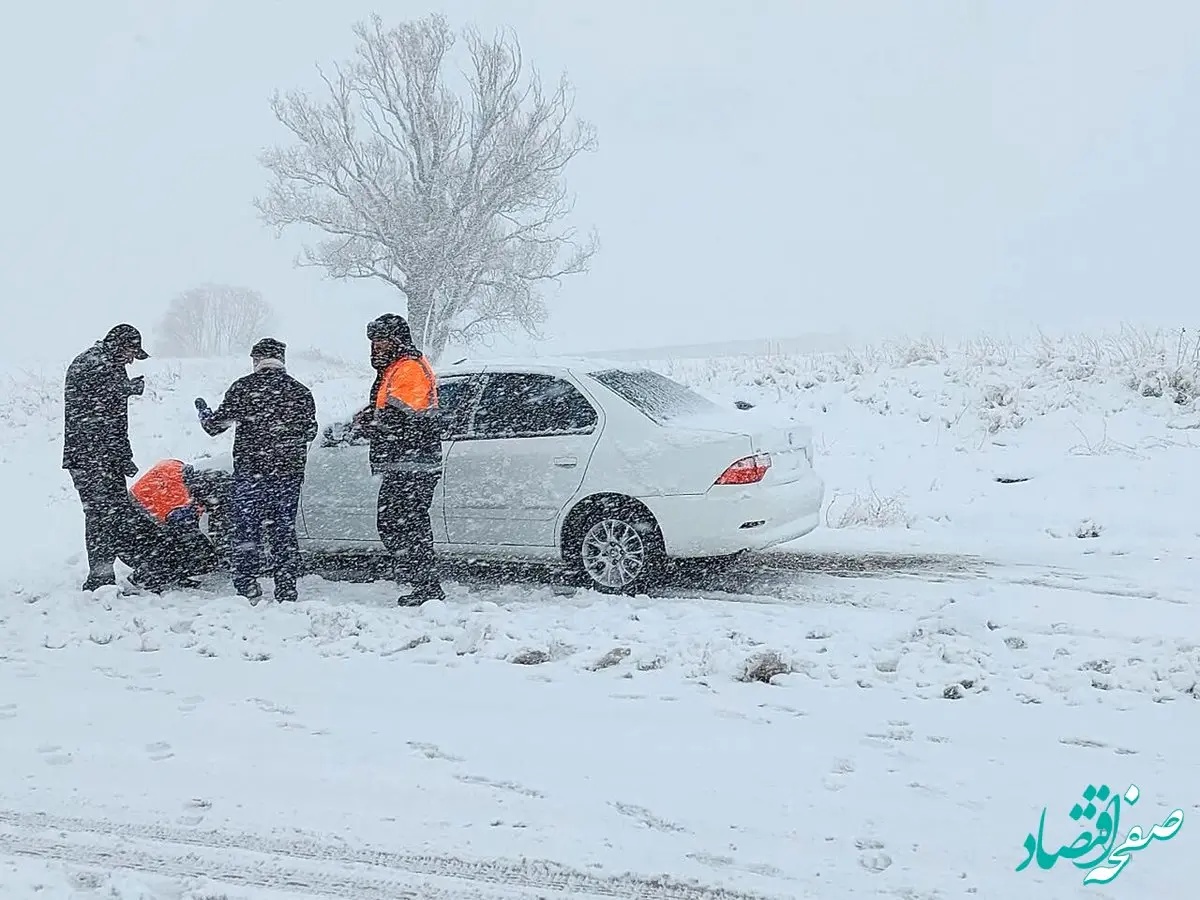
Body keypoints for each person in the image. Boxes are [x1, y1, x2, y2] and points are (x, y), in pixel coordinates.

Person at [195, 338, 317, 603]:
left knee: (246, 529)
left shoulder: (244, 388)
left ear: (256, 361)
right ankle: (286, 586)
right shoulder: (300, 391)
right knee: (283, 530)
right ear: (282, 359)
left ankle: (247, 583)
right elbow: (310, 431)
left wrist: (204, 412)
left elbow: (215, 426)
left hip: (251, 473)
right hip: (287, 474)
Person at [62, 323, 172, 591]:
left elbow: (114, 418)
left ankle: (147, 567)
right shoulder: (92, 363)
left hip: (105, 456)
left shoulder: (109, 363)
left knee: (118, 512)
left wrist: (122, 455)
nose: (132, 360)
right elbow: (96, 409)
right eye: (131, 353)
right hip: (89, 457)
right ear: (118, 346)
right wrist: (125, 388)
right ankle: (100, 578)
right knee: (101, 515)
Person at [354, 313, 446, 605]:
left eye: (380, 340)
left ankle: (425, 583)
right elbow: (391, 410)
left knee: (405, 524)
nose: (375, 347)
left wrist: (370, 425)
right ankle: (419, 577)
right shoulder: (395, 368)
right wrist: (370, 415)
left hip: (413, 463)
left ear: (395, 341)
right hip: (405, 462)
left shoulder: (408, 368)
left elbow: (402, 418)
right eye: (372, 341)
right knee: (399, 523)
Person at [129, 458, 224, 580]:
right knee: (183, 547)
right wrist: (213, 554)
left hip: (135, 501)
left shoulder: (176, 467)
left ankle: (155, 572)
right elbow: (187, 532)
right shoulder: (182, 504)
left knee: (177, 543)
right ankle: (146, 577)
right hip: (143, 511)